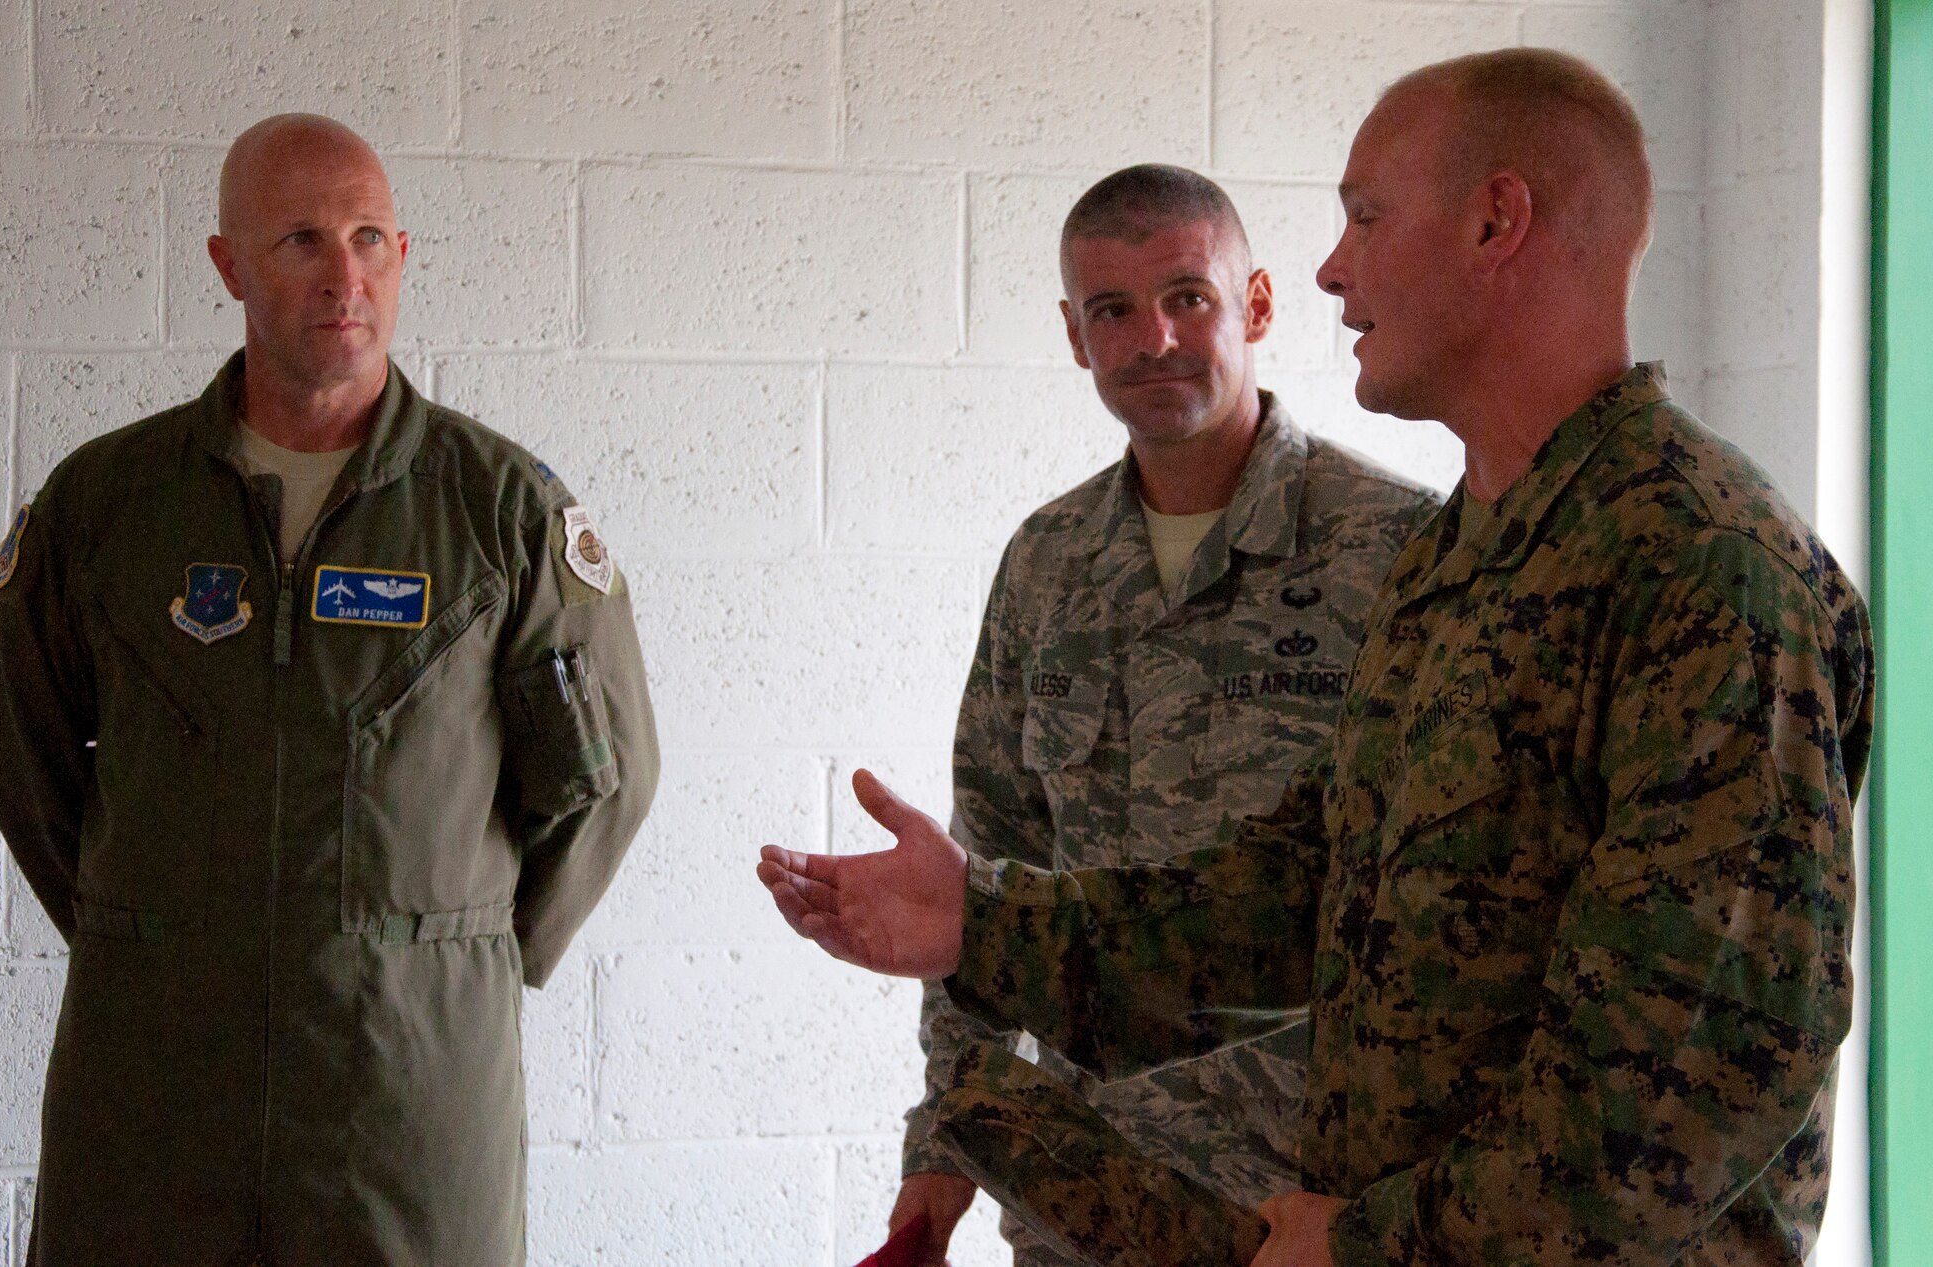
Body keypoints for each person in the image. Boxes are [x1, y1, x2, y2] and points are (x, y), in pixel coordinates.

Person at [761, 47, 1872, 1267]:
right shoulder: (1459, 561)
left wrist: (1371, 1245)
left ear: (1496, 221)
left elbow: (1689, 1083)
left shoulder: (1697, 564)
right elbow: (1299, 897)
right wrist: (989, 927)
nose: (1335, 268)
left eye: (1363, 216)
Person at [0, 113, 660, 1266]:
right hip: (150, 1101)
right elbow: (18, 756)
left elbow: (602, 784)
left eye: (368, 237)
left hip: (406, 1106)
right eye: (299, 239)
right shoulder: (107, 508)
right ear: (228, 264)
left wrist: (453, 956)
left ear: (402, 255)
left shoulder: (500, 514)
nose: (344, 274)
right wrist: (148, 933)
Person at [888, 165, 1435, 1267]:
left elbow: (1443, 910)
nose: (1153, 340)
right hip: (1080, 1200)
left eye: (1187, 296)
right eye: (1112, 311)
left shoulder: (1396, 549)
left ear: (1259, 305)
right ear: (1072, 334)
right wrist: (942, 1140)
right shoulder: (1047, 563)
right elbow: (994, 873)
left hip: (1303, 1215)